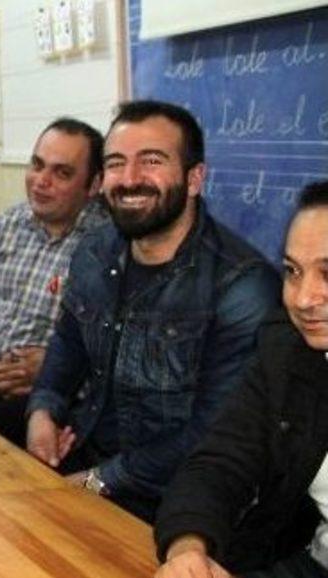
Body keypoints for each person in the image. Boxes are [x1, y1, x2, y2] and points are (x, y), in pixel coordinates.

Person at [25, 100, 279, 522]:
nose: (129, 180)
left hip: (176, 498)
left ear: (194, 178)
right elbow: (68, 342)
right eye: (116, 163)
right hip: (86, 453)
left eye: (152, 161)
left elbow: (213, 433)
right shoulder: (95, 250)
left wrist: (97, 481)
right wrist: (42, 411)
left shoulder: (242, 286)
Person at [152, 181, 328, 578]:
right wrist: (187, 546)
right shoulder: (288, 349)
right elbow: (220, 461)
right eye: (292, 271)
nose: (304, 298)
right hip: (312, 573)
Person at [0, 117, 109, 447]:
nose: (41, 181)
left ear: (94, 185)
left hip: (53, 401)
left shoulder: (108, 247)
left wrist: (55, 371)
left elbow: (109, 351)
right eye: (37, 165)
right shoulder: (9, 224)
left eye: (62, 173)